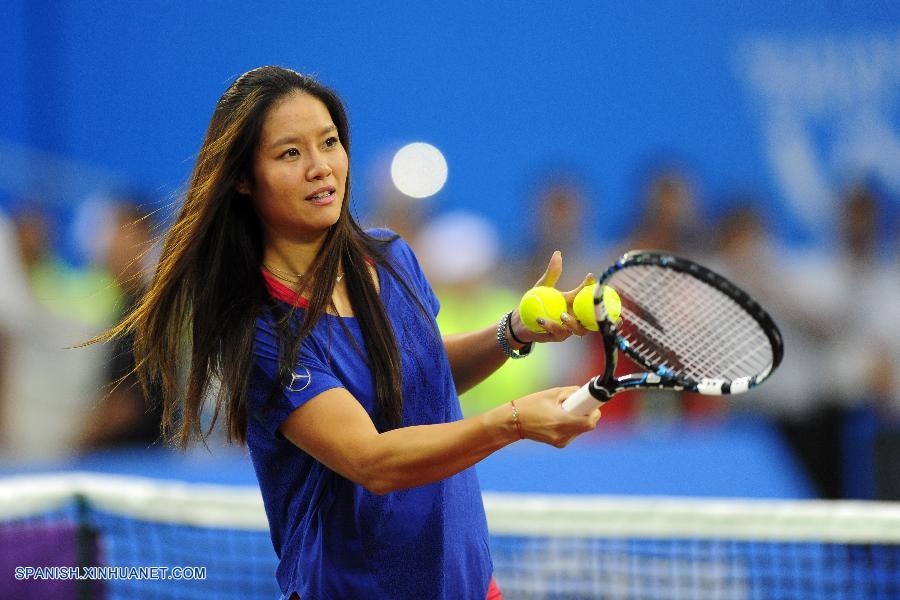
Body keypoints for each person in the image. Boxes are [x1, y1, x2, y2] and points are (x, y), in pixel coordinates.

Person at [93, 66, 601, 599]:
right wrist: (513, 422)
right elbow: (372, 460)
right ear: (243, 178)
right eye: (290, 153)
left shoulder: (392, 258)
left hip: (468, 583)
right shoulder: (260, 330)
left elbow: (417, 375)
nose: (320, 167)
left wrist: (513, 331)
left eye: (329, 142)